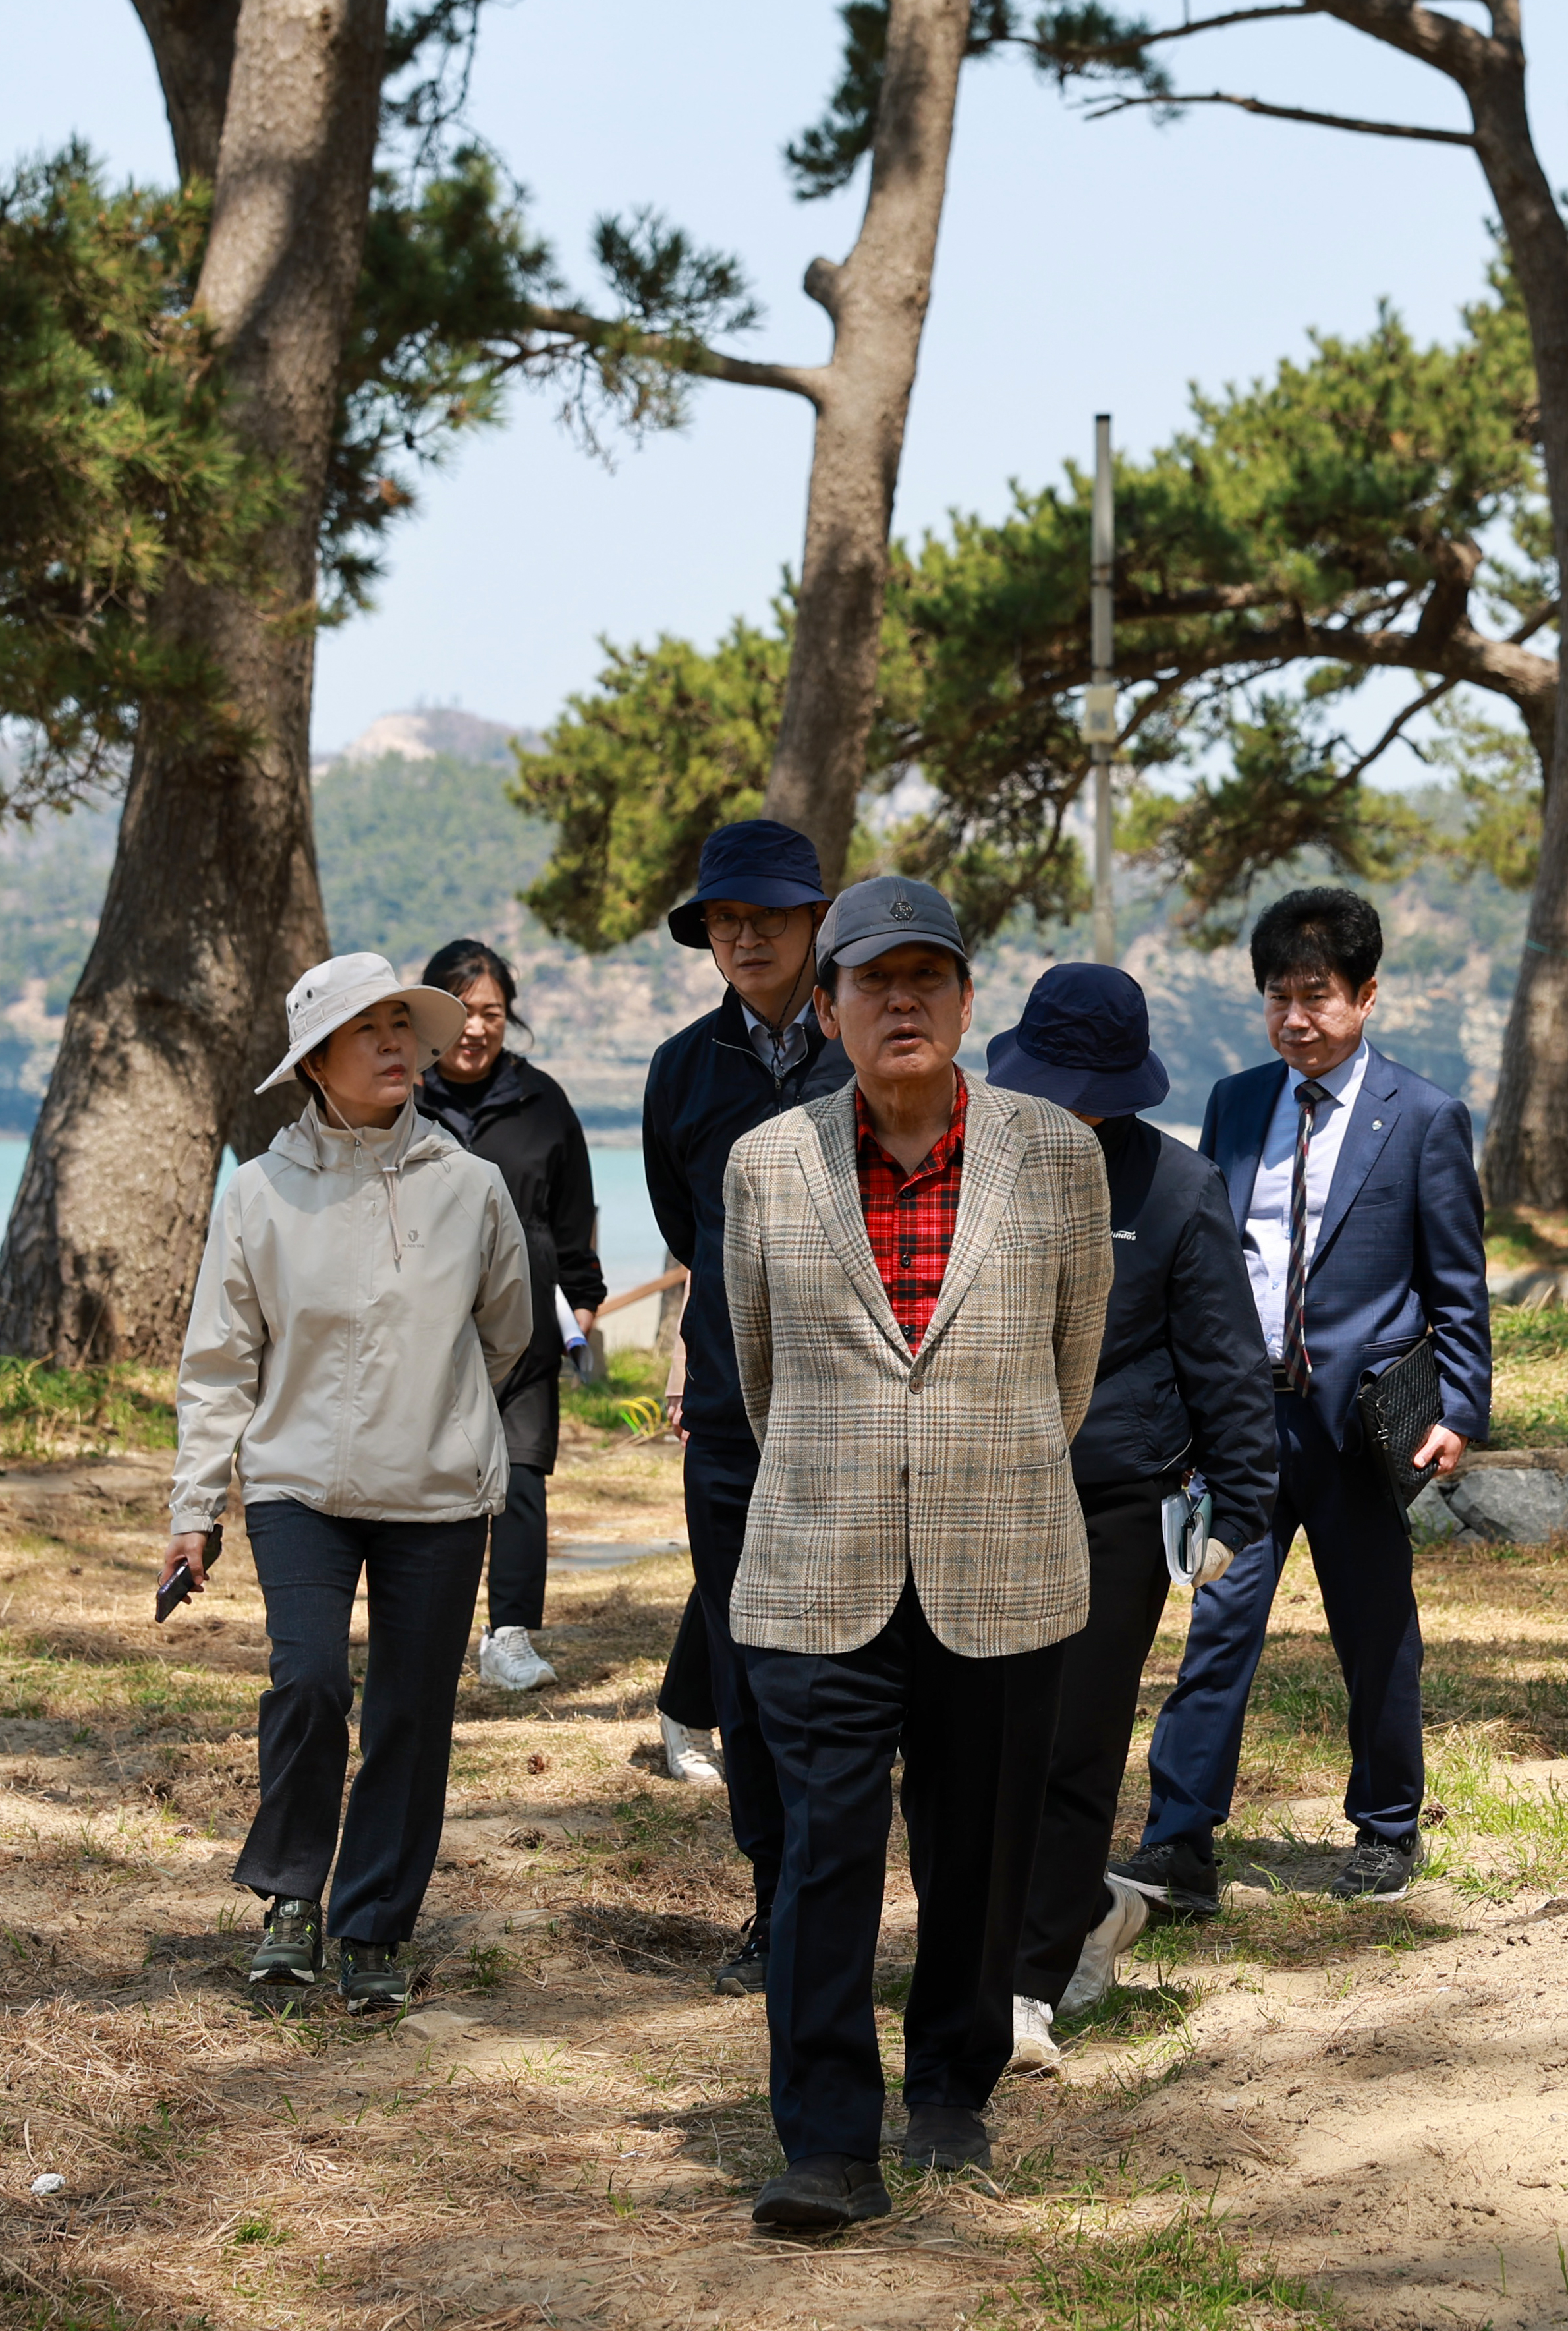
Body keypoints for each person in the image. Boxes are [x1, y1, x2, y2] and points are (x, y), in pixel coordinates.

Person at [721, 875, 1112, 2232]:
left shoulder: (1058, 1155)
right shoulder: (767, 1166)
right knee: (821, 1858)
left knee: (980, 1849)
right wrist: (857, 1475)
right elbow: (762, 1382)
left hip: (1001, 1557)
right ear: (824, 1009)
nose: (903, 1001)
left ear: (964, 998)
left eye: (927, 977)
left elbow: (1073, 1371)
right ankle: (827, 2142)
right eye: (873, 980)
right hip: (815, 1568)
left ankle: (951, 2086)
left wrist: (970, 1467)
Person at [1109, 886, 1489, 1914]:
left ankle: (1386, 1830)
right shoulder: (1236, 1102)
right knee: (1218, 1624)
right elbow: (1202, 1253)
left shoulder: (1424, 1118)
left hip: (1364, 1428)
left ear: (1367, 996)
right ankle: (1180, 1843)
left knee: (1374, 1629)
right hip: (1243, 1424)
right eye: (1276, 996)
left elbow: (1457, 1283)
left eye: (1316, 996)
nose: (1295, 1019)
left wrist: (1461, 1408)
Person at [165, 952, 532, 2015]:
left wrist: (441, 1407)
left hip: (437, 1489)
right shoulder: (259, 1192)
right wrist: (194, 1509)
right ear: (316, 1063)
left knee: (411, 1714)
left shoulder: (472, 1187)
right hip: (297, 1486)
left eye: (402, 1029)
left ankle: (375, 1924)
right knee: (313, 1683)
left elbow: (506, 1335)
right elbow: (220, 1363)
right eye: (364, 1032)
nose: (393, 1047)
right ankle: (289, 1898)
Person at [979, 964, 1277, 2073]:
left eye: (1083, 1087)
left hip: (1113, 1501)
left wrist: (1238, 1508)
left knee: (1074, 1746)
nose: (1061, 1104)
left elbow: (1227, 1360)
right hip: (982, 1493)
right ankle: (1082, 1912)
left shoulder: (1176, 1189)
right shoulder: (977, 1169)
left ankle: (1025, 1983)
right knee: (974, 1738)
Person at [637, 818, 849, 1996]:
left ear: (819, 922)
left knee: (861, 1668)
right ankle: (777, 1904)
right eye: (725, 920)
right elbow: (688, 1229)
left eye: (770, 916)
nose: (746, 937)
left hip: (860, 1417)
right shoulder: (682, 1068)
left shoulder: (867, 1047)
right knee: (748, 1668)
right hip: (728, 1421)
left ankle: (854, 1891)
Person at [413, 935, 607, 1695]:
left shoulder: (544, 1101)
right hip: (425, 1330)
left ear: (509, 1019)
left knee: (522, 1480)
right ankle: (427, 1630)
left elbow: (570, 1214)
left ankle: (510, 1636)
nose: (475, 1026)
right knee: (430, 1485)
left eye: (491, 1011)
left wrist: (583, 1302)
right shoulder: (404, 1097)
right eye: (460, 1009)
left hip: (525, 1327)